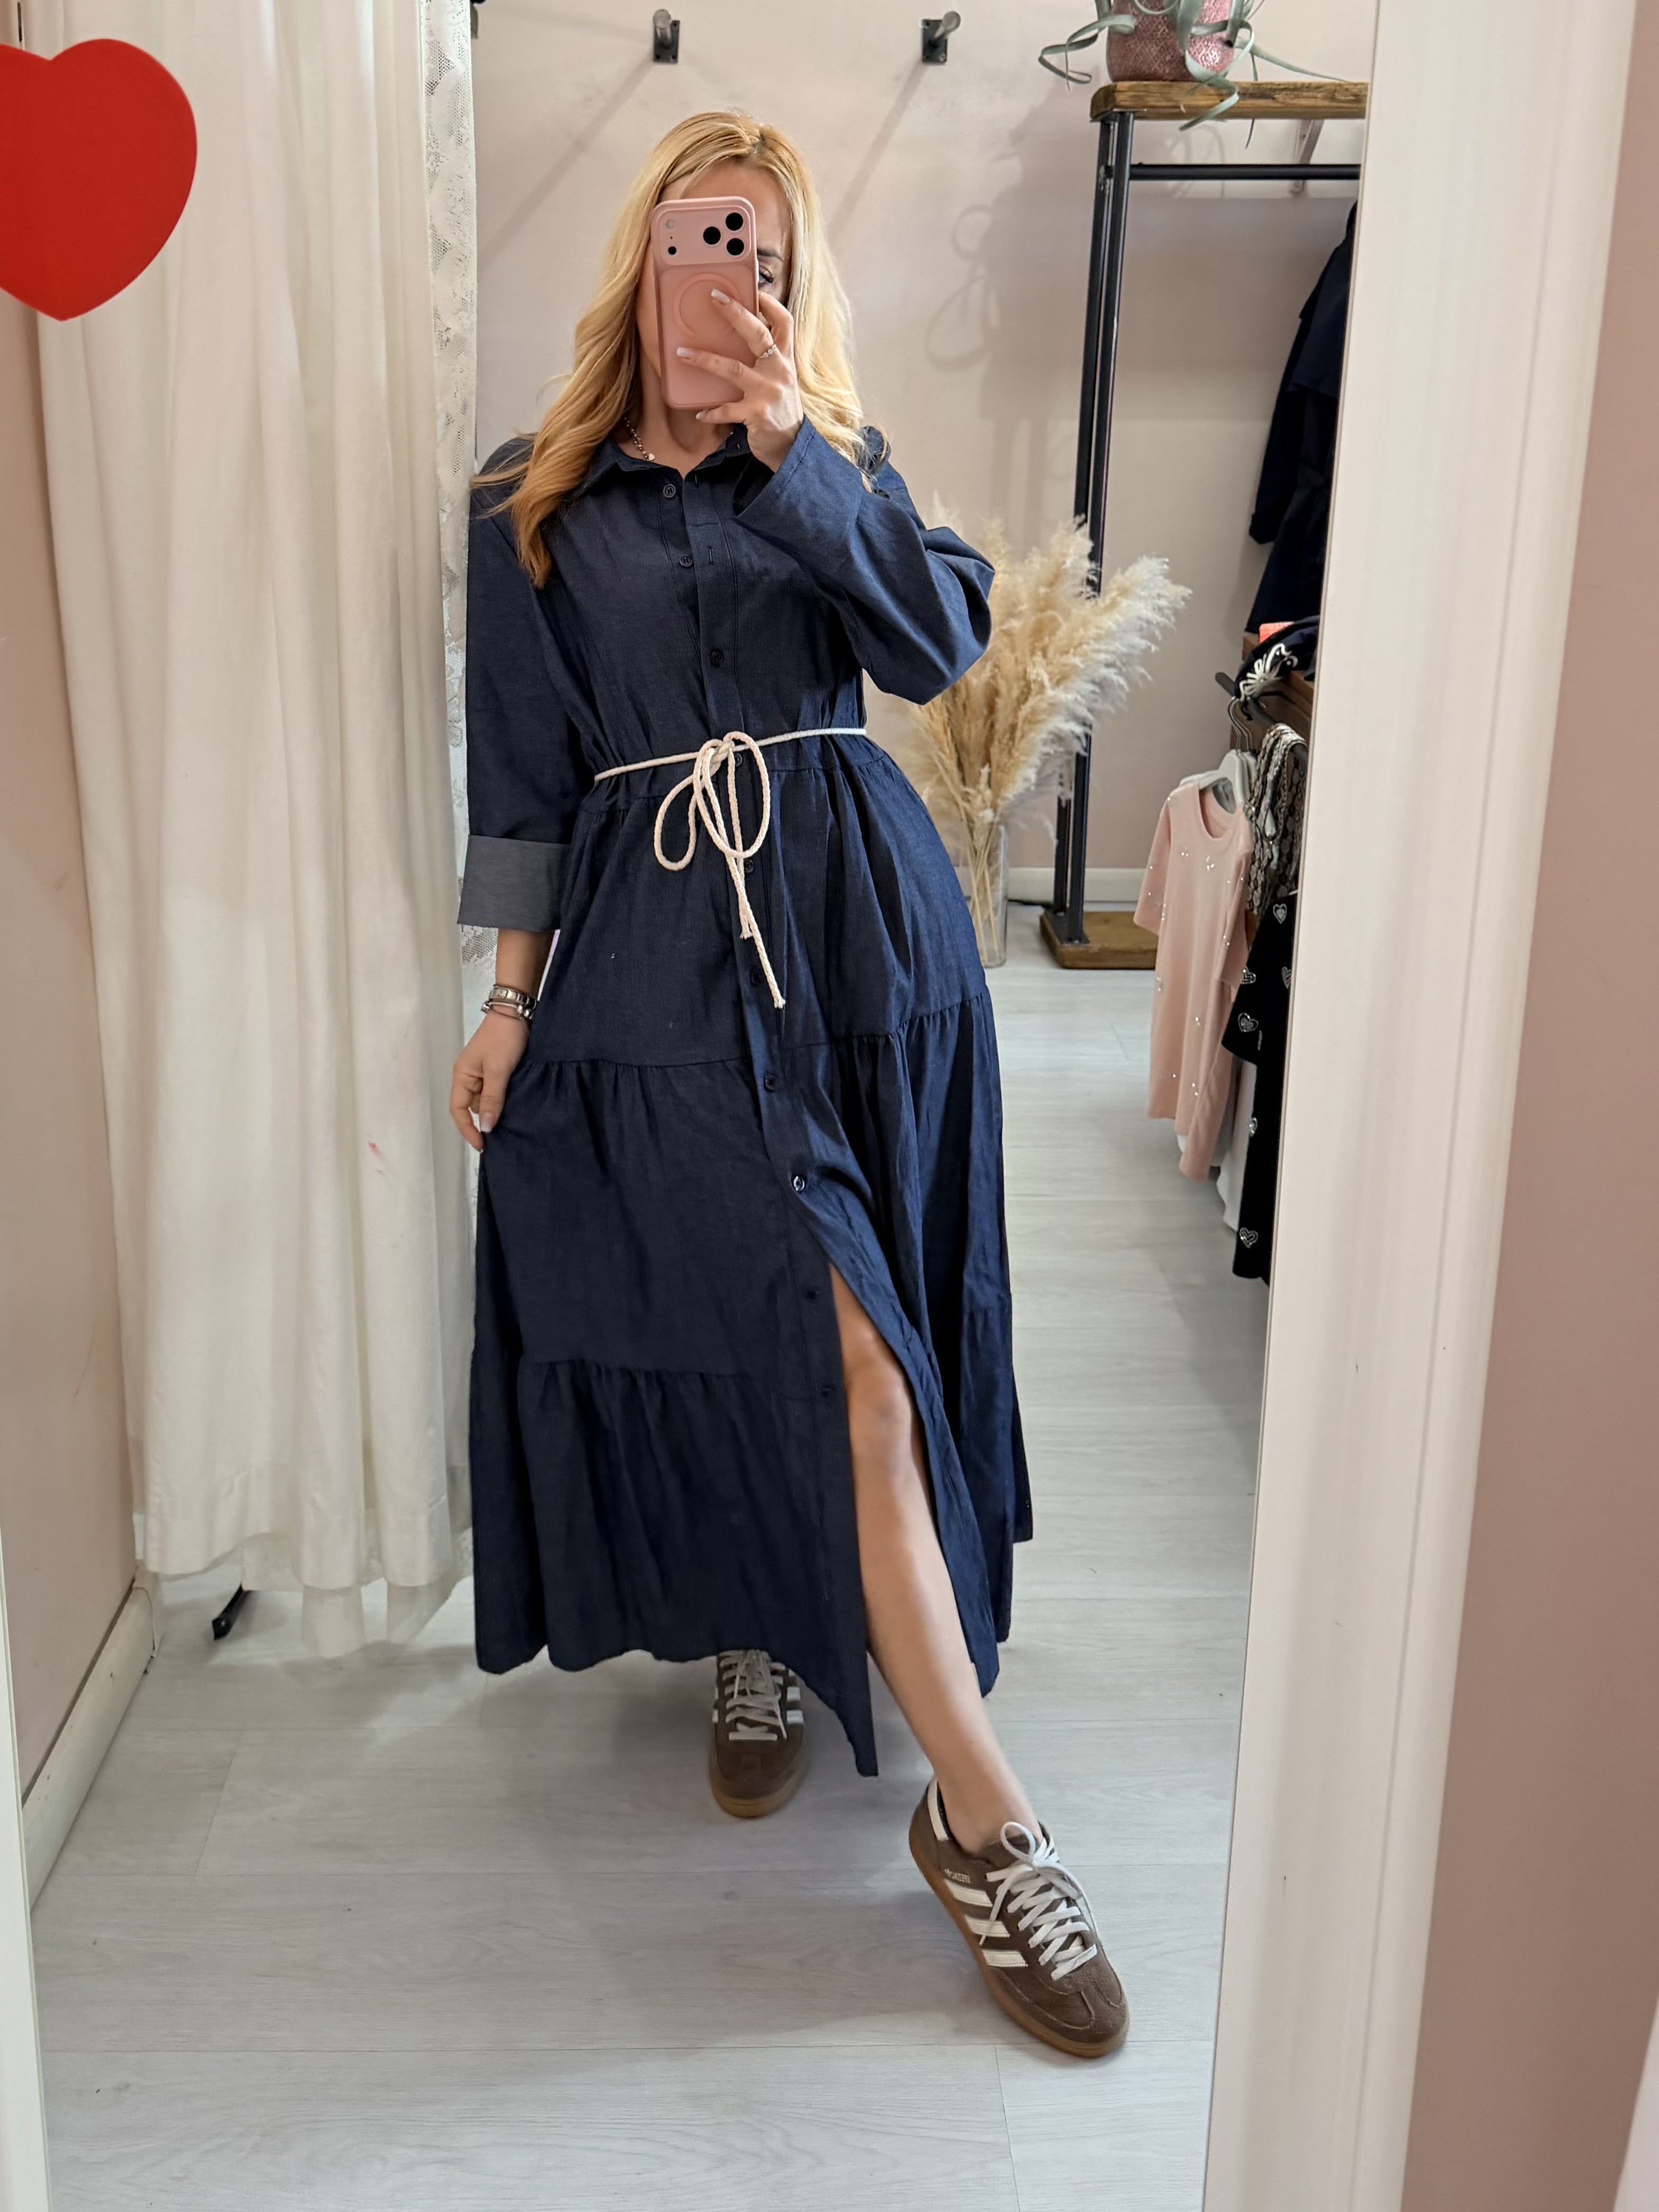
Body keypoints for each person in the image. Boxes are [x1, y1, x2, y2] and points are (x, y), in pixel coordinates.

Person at [448, 110, 1126, 2060]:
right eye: (691, 237)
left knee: (863, 1340)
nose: (716, 274)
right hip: (652, 956)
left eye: (749, 242)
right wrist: (508, 999)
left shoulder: (837, 461)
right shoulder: (529, 495)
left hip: (859, 949)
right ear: (640, 259)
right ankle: (963, 1798)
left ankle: (855, 1695)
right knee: (786, 1323)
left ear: (785, 272)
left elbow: (935, 646)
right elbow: (523, 775)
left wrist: (790, 451)